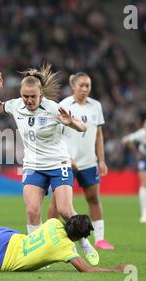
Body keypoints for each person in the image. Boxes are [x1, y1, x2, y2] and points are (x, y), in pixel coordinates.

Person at [0, 63, 100, 266]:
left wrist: (71, 123)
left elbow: (83, 127)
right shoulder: (16, 106)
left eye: (33, 96)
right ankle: (39, 253)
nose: (29, 100)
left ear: (41, 95)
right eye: (25, 96)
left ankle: (84, 244)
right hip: (33, 165)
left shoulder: (54, 108)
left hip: (59, 164)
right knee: (32, 210)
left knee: (66, 210)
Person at [0, 216, 129, 272]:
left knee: (10, 232)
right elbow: (86, 269)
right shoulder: (66, 249)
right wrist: (114, 269)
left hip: (7, 239)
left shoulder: (54, 223)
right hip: (0, 261)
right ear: (79, 236)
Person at [48, 73, 114, 250]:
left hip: (89, 162)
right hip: (66, 162)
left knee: (93, 198)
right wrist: (66, 158)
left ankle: (100, 239)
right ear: (73, 86)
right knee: (57, 204)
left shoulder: (96, 106)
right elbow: (55, 136)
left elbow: (98, 135)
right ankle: (50, 239)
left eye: (88, 85)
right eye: (81, 85)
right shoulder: (63, 106)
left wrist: (101, 160)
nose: (85, 89)